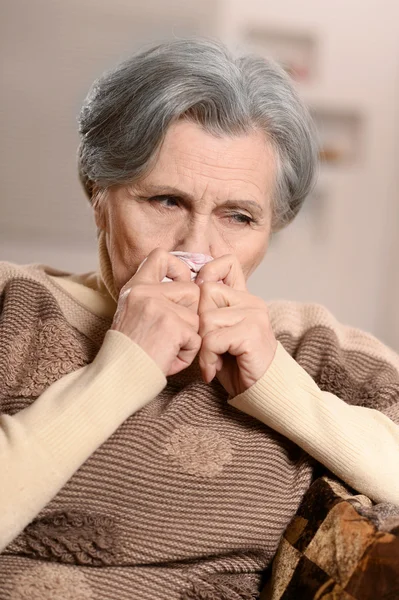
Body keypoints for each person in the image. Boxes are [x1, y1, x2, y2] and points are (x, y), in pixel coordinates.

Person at [0, 38, 398, 599]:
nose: (198, 248)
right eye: (166, 201)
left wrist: (279, 386)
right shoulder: (13, 303)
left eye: (238, 216)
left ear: (272, 229)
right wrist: (120, 374)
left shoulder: (316, 345)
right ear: (98, 194)